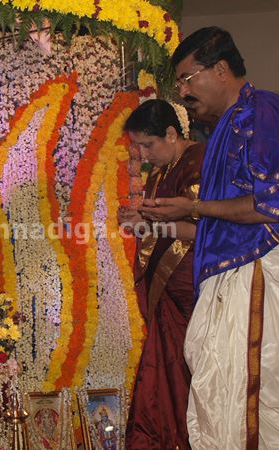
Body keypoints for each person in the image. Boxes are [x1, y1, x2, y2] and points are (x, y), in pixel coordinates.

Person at [140, 27, 279, 449]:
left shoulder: (260, 112)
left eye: (187, 79)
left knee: (247, 405)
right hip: (226, 276)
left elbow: (270, 204)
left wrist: (194, 206)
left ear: (220, 70)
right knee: (218, 404)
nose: (183, 92)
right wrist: (175, 214)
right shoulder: (224, 127)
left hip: (253, 273)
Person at [119, 99, 204, 450]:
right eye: (137, 146)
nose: (143, 154)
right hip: (167, 292)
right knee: (163, 376)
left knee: (190, 374)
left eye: (148, 144)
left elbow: (203, 230)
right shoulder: (159, 172)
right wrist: (139, 223)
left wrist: (152, 225)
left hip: (192, 290)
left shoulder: (199, 162)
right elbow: (160, 228)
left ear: (171, 134)